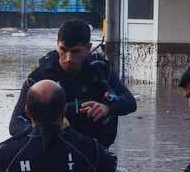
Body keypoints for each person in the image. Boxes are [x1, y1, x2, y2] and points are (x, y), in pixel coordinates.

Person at [9, 19, 136, 147]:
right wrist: (45, 128)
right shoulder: (40, 77)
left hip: (93, 149)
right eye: (63, 50)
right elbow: (15, 124)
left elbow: (130, 102)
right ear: (57, 45)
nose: (68, 58)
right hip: (54, 148)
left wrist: (108, 107)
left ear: (88, 48)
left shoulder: (99, 70)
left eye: (75, 51)